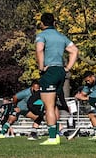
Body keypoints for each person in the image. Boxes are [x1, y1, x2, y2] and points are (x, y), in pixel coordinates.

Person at [35, 11, 78, 145]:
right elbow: (74, 51)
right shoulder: (61, 36)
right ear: (54, 22)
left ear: (42, 23)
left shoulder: (41, 35)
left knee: (48, 107)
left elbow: (39, 49)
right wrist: (67, 68)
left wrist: (41, 67)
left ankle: (52, 138)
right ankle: (58, 134)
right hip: (60, 71)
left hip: (50, 71)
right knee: (53, 106)